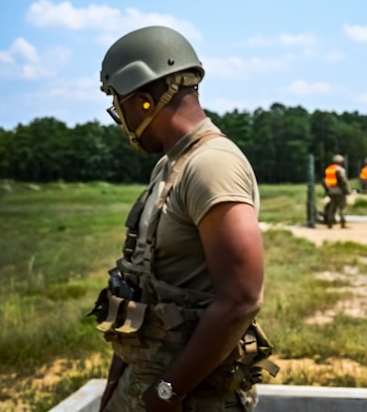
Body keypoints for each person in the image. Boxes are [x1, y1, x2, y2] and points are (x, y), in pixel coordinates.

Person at [89, 25, 278, 412]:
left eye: (118, 103)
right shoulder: (171, 165)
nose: (118, 117)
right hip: (148, 382)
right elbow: (142, 290)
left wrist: (167, 392)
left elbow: (241, 297)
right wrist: (115, 385)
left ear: (143, 101)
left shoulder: (212, 165)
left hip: (192, 397)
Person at [322, 154, 350, 228]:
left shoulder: (328, 169)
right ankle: (343, 223)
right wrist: (347, 190)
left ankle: (330, 223)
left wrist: (327, 190)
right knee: (342, 207)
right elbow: (343, 181)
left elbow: (324, 181)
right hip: (339, 191)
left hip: (331, 190)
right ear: (340, 162)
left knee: (332, 206)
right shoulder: (340, 169)